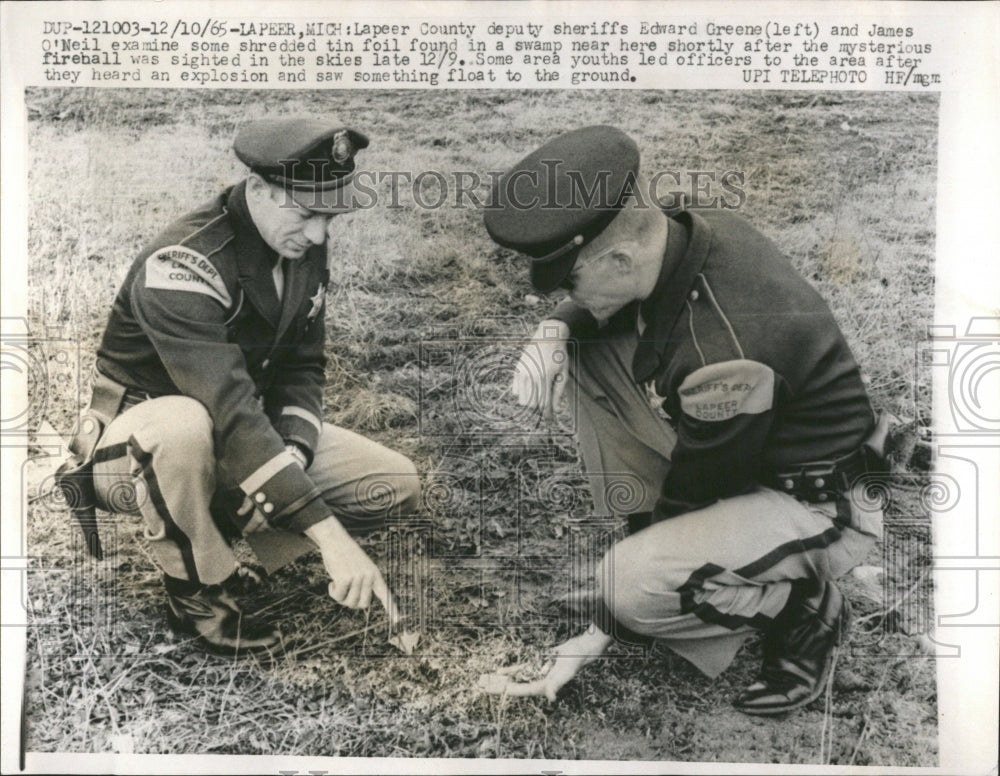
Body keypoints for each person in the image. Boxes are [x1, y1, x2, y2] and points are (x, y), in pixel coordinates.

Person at [481, 125, 887, 715]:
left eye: (569, 281)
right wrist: (557, 327)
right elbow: (609, 297)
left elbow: (698, 491)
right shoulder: (686, 229)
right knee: (586, 347)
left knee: (627, 587)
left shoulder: (723, 351)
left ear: (620, 259)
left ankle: (796, 608)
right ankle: (660, 558)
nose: (560, 294)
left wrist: (605, 622)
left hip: (822, 507)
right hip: (755, 451)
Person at [60, 118, 420, 654]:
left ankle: (236, 518)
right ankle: (197, 591)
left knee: (394, 482)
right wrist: (330, 536)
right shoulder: (182, 262)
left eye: (329, 216)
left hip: (233, 438)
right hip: (135, 454)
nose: (319, 233)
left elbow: (302, 365)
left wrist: (293, 453)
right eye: (305, 212)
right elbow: (227, 407)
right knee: (183, 427)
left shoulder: (298, 241)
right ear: (257, 189)